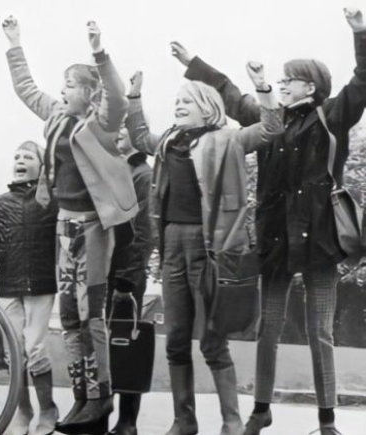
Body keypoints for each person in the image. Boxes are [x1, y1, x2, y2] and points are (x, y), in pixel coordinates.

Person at [168, 8, 366, 435]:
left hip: (320, 240)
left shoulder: (331, 115)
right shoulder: (266, 118)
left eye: (289, 78)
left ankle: (327, 422)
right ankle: (261, 411)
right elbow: (229, 90)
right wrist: (192, 63)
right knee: (269, 328)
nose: (281, 82)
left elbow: (362, 81)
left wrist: (361, 34)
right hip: (276, 236)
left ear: (309, 85)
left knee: (320, 331)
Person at [125, 67, 283, 435]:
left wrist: (263, 88)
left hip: (212, 248)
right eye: (176, 100)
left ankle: (231, 421)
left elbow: (272, 129)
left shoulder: (227, 139)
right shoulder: (167, 141)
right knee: (176, 338)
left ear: (208, 106)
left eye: (187, 101)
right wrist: (134, 97)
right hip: (172, 245)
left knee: (214, 340)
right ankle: (184, 420)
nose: (178, 105)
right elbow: (137, 135)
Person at [2, 15, 137, 435]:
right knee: (71, 316)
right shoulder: (57, 116)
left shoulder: (100, 124)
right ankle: (80, 398)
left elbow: (117, 95)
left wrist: (99, 51)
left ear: (88, 92)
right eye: (62, 84)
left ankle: (100, 397)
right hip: (63, 223)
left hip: (92, 225)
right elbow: (26, 89)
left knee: (90, 313)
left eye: (70, 84)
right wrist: (14, 44)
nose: (61, 90)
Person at [0, 141, 59, 435]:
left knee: (36, 348)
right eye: (17, 156)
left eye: (28, 156)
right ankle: (23, 410)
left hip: (43, 286)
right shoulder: (1, 203)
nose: (20, 160)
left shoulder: (52, 201)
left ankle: (47, 409)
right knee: (13, 350)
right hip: (9, 286)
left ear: (42, 165)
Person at [103, 117, 155, 435]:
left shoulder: (142, 174)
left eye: (126, 127)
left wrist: (126, 278)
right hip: (109, 270)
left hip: (126, 275)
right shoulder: (119, 171)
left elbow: (143, 231)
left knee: (126, 344)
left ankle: (127, 422)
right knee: (110, 343)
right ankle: (105, 417)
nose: (119, 132)